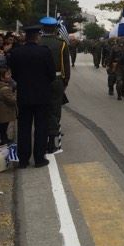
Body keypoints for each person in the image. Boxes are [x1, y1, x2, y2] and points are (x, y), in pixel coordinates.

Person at [9, 25, 56, 168]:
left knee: (24, 128)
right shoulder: (44, 52)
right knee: (41, 127)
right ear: (37, 37)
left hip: (24, 95)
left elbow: (14, 74)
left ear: (26, 37)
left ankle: (23, 160)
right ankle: (39, 158)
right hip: (42, 96)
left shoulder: (16, 52)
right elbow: (52, 74)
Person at [40, 16, 70, 155]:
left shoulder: (37, 42)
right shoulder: (61, 44)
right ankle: (51, 142)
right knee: (54, 110)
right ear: (55, 29)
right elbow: (65, 65)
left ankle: (41, 138)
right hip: (57, 80)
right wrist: (65, 82)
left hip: (39, 81)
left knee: (41, 109)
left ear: (42, 28)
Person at [0, 67, 16, 145]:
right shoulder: (5, 89)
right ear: (2, 78)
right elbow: (13, 100)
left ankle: (4, 139)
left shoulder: (2, 87)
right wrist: (16, 95)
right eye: (8, 74)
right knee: (3, 128)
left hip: (2, 114)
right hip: (5, 114)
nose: (10, 75)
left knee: (3, 128)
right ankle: (4, 141)